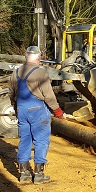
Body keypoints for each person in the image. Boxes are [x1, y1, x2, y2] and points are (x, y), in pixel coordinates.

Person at [8, 45, 64, 184]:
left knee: (25, 140)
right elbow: (49, 96)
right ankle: (39, 174)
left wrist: (17, 109)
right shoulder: (41, 72)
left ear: (26, 57)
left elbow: (11, 94)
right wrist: (58, 113)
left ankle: (24, 173)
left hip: (21, 110)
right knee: (41, 140)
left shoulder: (16, 72)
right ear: (38, 58)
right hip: (37, 110)